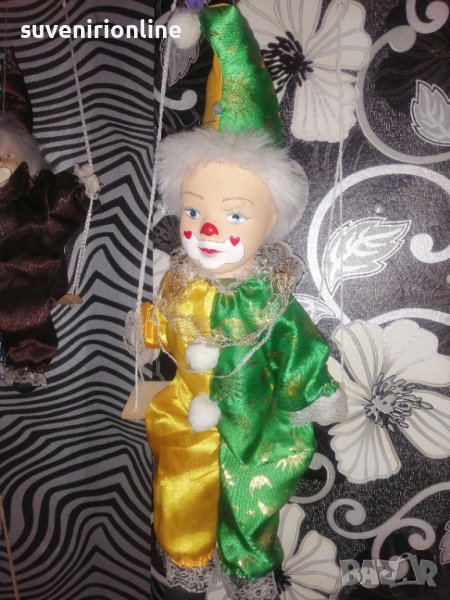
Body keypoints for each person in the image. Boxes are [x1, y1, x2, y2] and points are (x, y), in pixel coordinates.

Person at [133, 5, 347, 599]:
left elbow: (299, 347)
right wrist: (148, 329)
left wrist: (313, 393)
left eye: (234, 214)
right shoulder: (178, 284)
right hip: (186, 417)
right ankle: (187, 566)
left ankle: (250, 572)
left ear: (271, 219)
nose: (206, 229)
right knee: (180, 496)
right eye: (194, 209)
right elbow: (167, 330)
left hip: (254, 430)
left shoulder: (269, 300)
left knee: (251, 503)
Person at [0, 48, 99, 390]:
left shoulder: (34, 193)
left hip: (30, 274)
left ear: (24, 158)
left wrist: (79, 189)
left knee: (25, 318)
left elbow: (57, 207)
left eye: (8, 154)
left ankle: (27, 362)